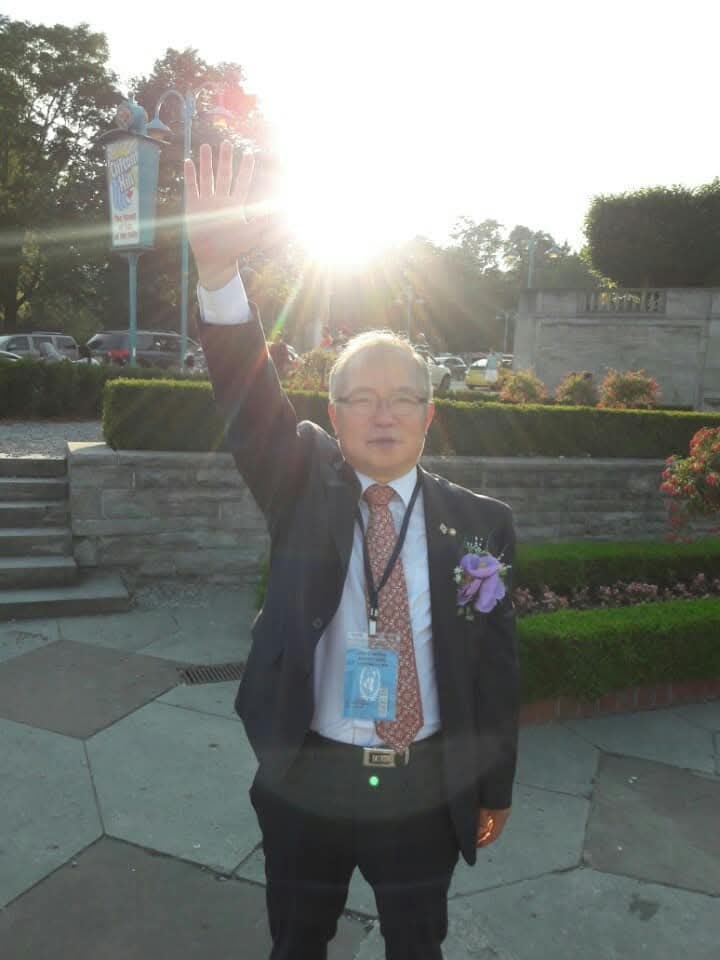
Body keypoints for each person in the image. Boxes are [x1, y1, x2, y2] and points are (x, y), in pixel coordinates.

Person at [184, 141, 520, 960]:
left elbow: (493, 666)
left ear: (429, 415)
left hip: (424, 784)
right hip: (310, 778)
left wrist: (493, 785)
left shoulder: (482, 525)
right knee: (297, 943)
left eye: (403, 397)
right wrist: (219, 275)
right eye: (361, 398)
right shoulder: (301, 482)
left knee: (417, 946)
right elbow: (249, 403)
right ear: (333, 417)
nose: (384, 413)